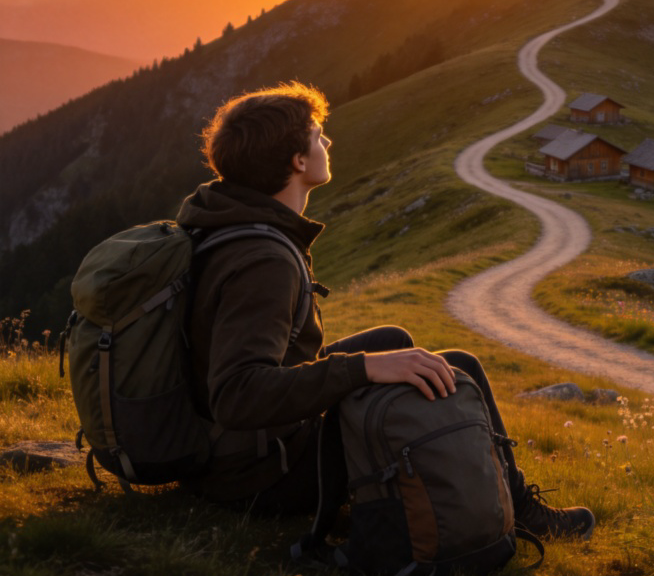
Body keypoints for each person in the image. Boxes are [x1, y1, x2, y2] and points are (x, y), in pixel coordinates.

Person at [175, 81, 595, 540]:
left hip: (224, 451)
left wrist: (370, 364)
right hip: (255, 475)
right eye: (317, 136)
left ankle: (496, 496)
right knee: (458, 368)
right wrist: (362, 371)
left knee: (391, 341)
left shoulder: (229, 222)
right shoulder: (265, 260)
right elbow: (239, 394)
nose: (327, 142)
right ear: (297, 162)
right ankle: (520, 513)